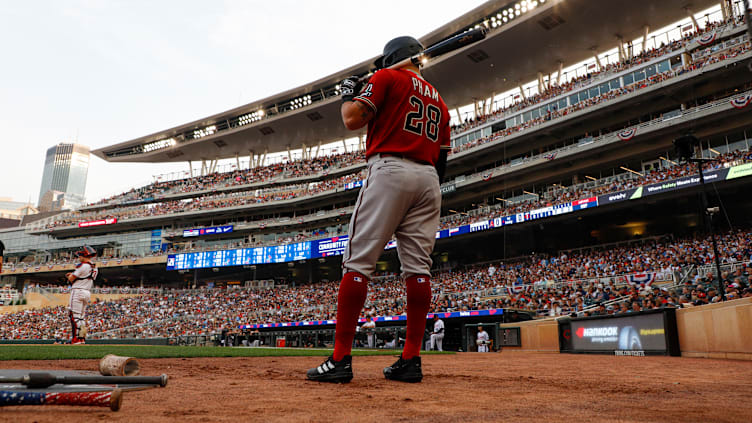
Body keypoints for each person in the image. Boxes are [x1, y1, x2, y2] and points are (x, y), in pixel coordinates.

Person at [307, 35, 450, 384]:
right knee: (418, 269)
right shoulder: (441, 101)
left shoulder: (386, 77)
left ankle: (340, 360)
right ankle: (411, 360)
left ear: (391, 59)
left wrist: (348, 93)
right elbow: (443, 158)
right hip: (430, 179)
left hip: (390, 169)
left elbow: (352, 119)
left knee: (357, 262)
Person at [65, 246, 98, 345]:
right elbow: (85, 276)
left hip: (77, 291)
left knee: (74, 316)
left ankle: (76, 339)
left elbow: (71, 279)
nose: (79, 257)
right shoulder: (94, 267)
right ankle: (82, 339)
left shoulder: (83, 265)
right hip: (87, 292)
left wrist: (69, 275)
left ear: (84, 255)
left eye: (80, 255)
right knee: (81, 317)